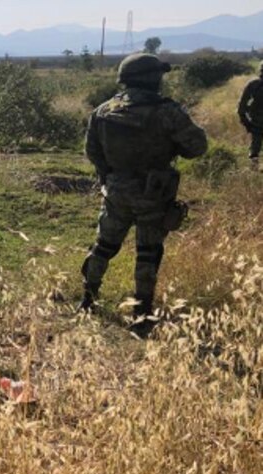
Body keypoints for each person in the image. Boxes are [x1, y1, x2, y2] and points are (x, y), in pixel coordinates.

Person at [79, 53, 208, 334]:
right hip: (154, 194)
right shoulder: (167, 111)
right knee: (148, 253)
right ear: (152, 78)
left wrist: (111, 175)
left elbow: (92, 151)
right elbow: (197, 147)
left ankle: (87, 299)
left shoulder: (103, 110)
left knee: (103, 246)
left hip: (116, 191)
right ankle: (142, 315)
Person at [238, 60, 263, 169]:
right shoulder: (254, 84)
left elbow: (241, 106)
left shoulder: (253, 84)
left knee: (255, 147)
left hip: (256, 121)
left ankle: (254, 168)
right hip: (256, 120)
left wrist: (245, 121)